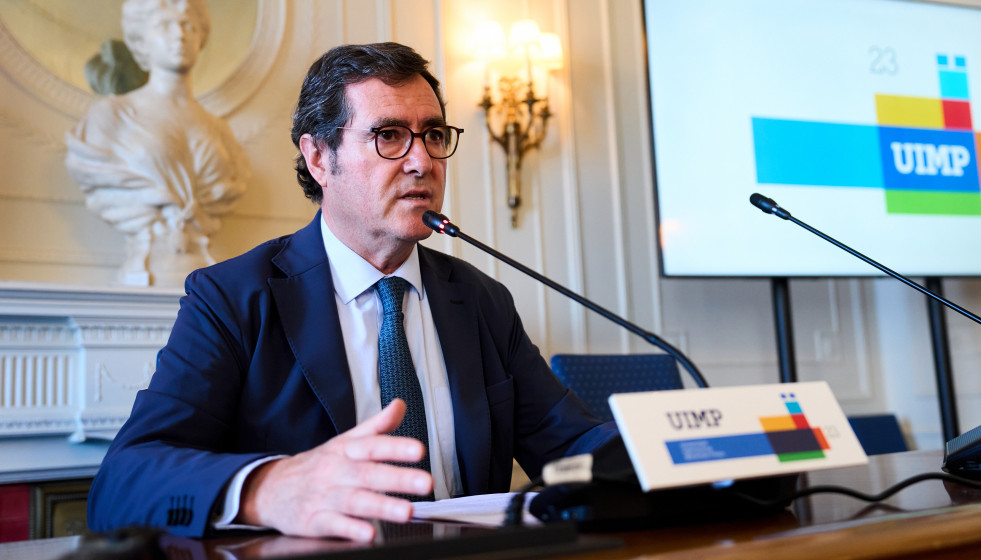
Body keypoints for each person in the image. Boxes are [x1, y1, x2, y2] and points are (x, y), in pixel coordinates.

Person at [87, 42, 614, 542]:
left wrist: (676, 452)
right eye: (388, 135)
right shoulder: (232, 297)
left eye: (433, 135)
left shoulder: (481, 301)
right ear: (319, 157)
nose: (422, 162)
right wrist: (266, 488)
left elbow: (571, 445)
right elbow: (123, 482)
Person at [64, 0, 249, 288]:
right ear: (140, 39)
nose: (179, 34)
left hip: (205, 278)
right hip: (145, 268)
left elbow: (230, 186)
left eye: (188, 25)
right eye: (165, 24)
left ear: (200, 36)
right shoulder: (112, 117)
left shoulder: (220, 131)